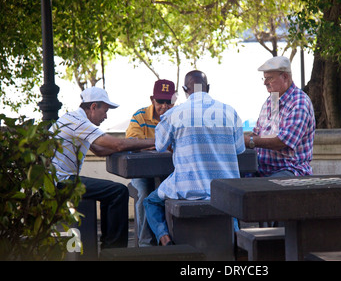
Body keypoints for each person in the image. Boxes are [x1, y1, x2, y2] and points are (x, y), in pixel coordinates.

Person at [143, 70, 245, 246]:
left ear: (184, 89)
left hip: (187, 188)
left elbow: (160, 145)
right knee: (228, 207)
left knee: (150, 201)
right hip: (225, 189)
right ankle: (236, 238)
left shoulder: (173, 115)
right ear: (208, 88)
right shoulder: (230, 112)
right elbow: (238, 149)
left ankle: (165, 239)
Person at [50, 87, 155, 249]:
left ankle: (109, 246)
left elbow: (100, 150)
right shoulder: (78, 122)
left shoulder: (74, 119)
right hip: (60, 182)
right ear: (93, 107)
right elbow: (117, 143)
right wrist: (155, 141)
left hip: (57, 179)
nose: (106, 116)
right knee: (118, 192)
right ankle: (114, 251)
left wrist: (139, 147)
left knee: (112, 192)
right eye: (104, 111)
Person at [244, 56, 315, 177]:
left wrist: (250, 141)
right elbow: (257, 133)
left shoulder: (299, 103)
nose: (265, 83)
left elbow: (282, 142)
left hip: (290, 170)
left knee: (264, 189)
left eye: (269, 78)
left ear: (285, 77)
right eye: (264, 78)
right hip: (263, 170)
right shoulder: (272, 100)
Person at [125, 79, 176, 247]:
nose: (164, 106)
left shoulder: (177, 115)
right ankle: (146, 243)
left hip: (168, 171)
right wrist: (161, 143)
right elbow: (132, 141)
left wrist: (147, 143)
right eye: (160, 101)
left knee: (170, 195)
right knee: (145, 193)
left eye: (168, 102)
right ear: (152, 99)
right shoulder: (139, 116)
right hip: (142, 171)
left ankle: (170, 239)